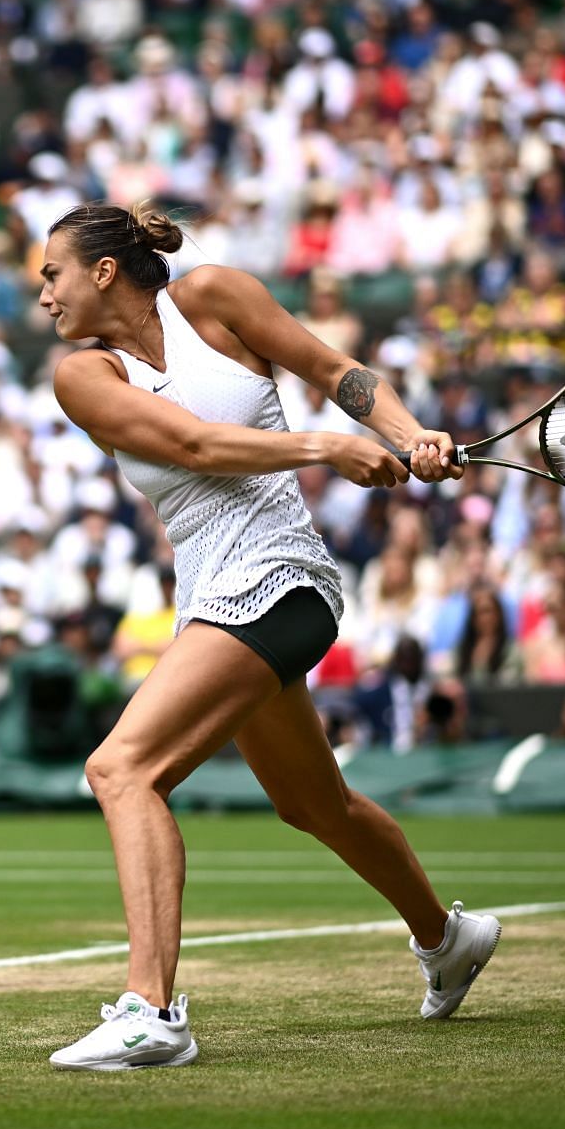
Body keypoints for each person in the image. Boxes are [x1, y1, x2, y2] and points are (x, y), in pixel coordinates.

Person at [39, 202, 495, 1072]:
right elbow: (196, 444)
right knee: (314, 805)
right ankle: (448, 937)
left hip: (284, 582)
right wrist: (326, 450)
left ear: (103, 270)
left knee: (122, 768)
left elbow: (336, 370)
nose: (44, 295)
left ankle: (153, 1011)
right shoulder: (82, 377)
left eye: (52, 274)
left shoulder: (214, 296)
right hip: (211, 596)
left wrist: (408, 435)